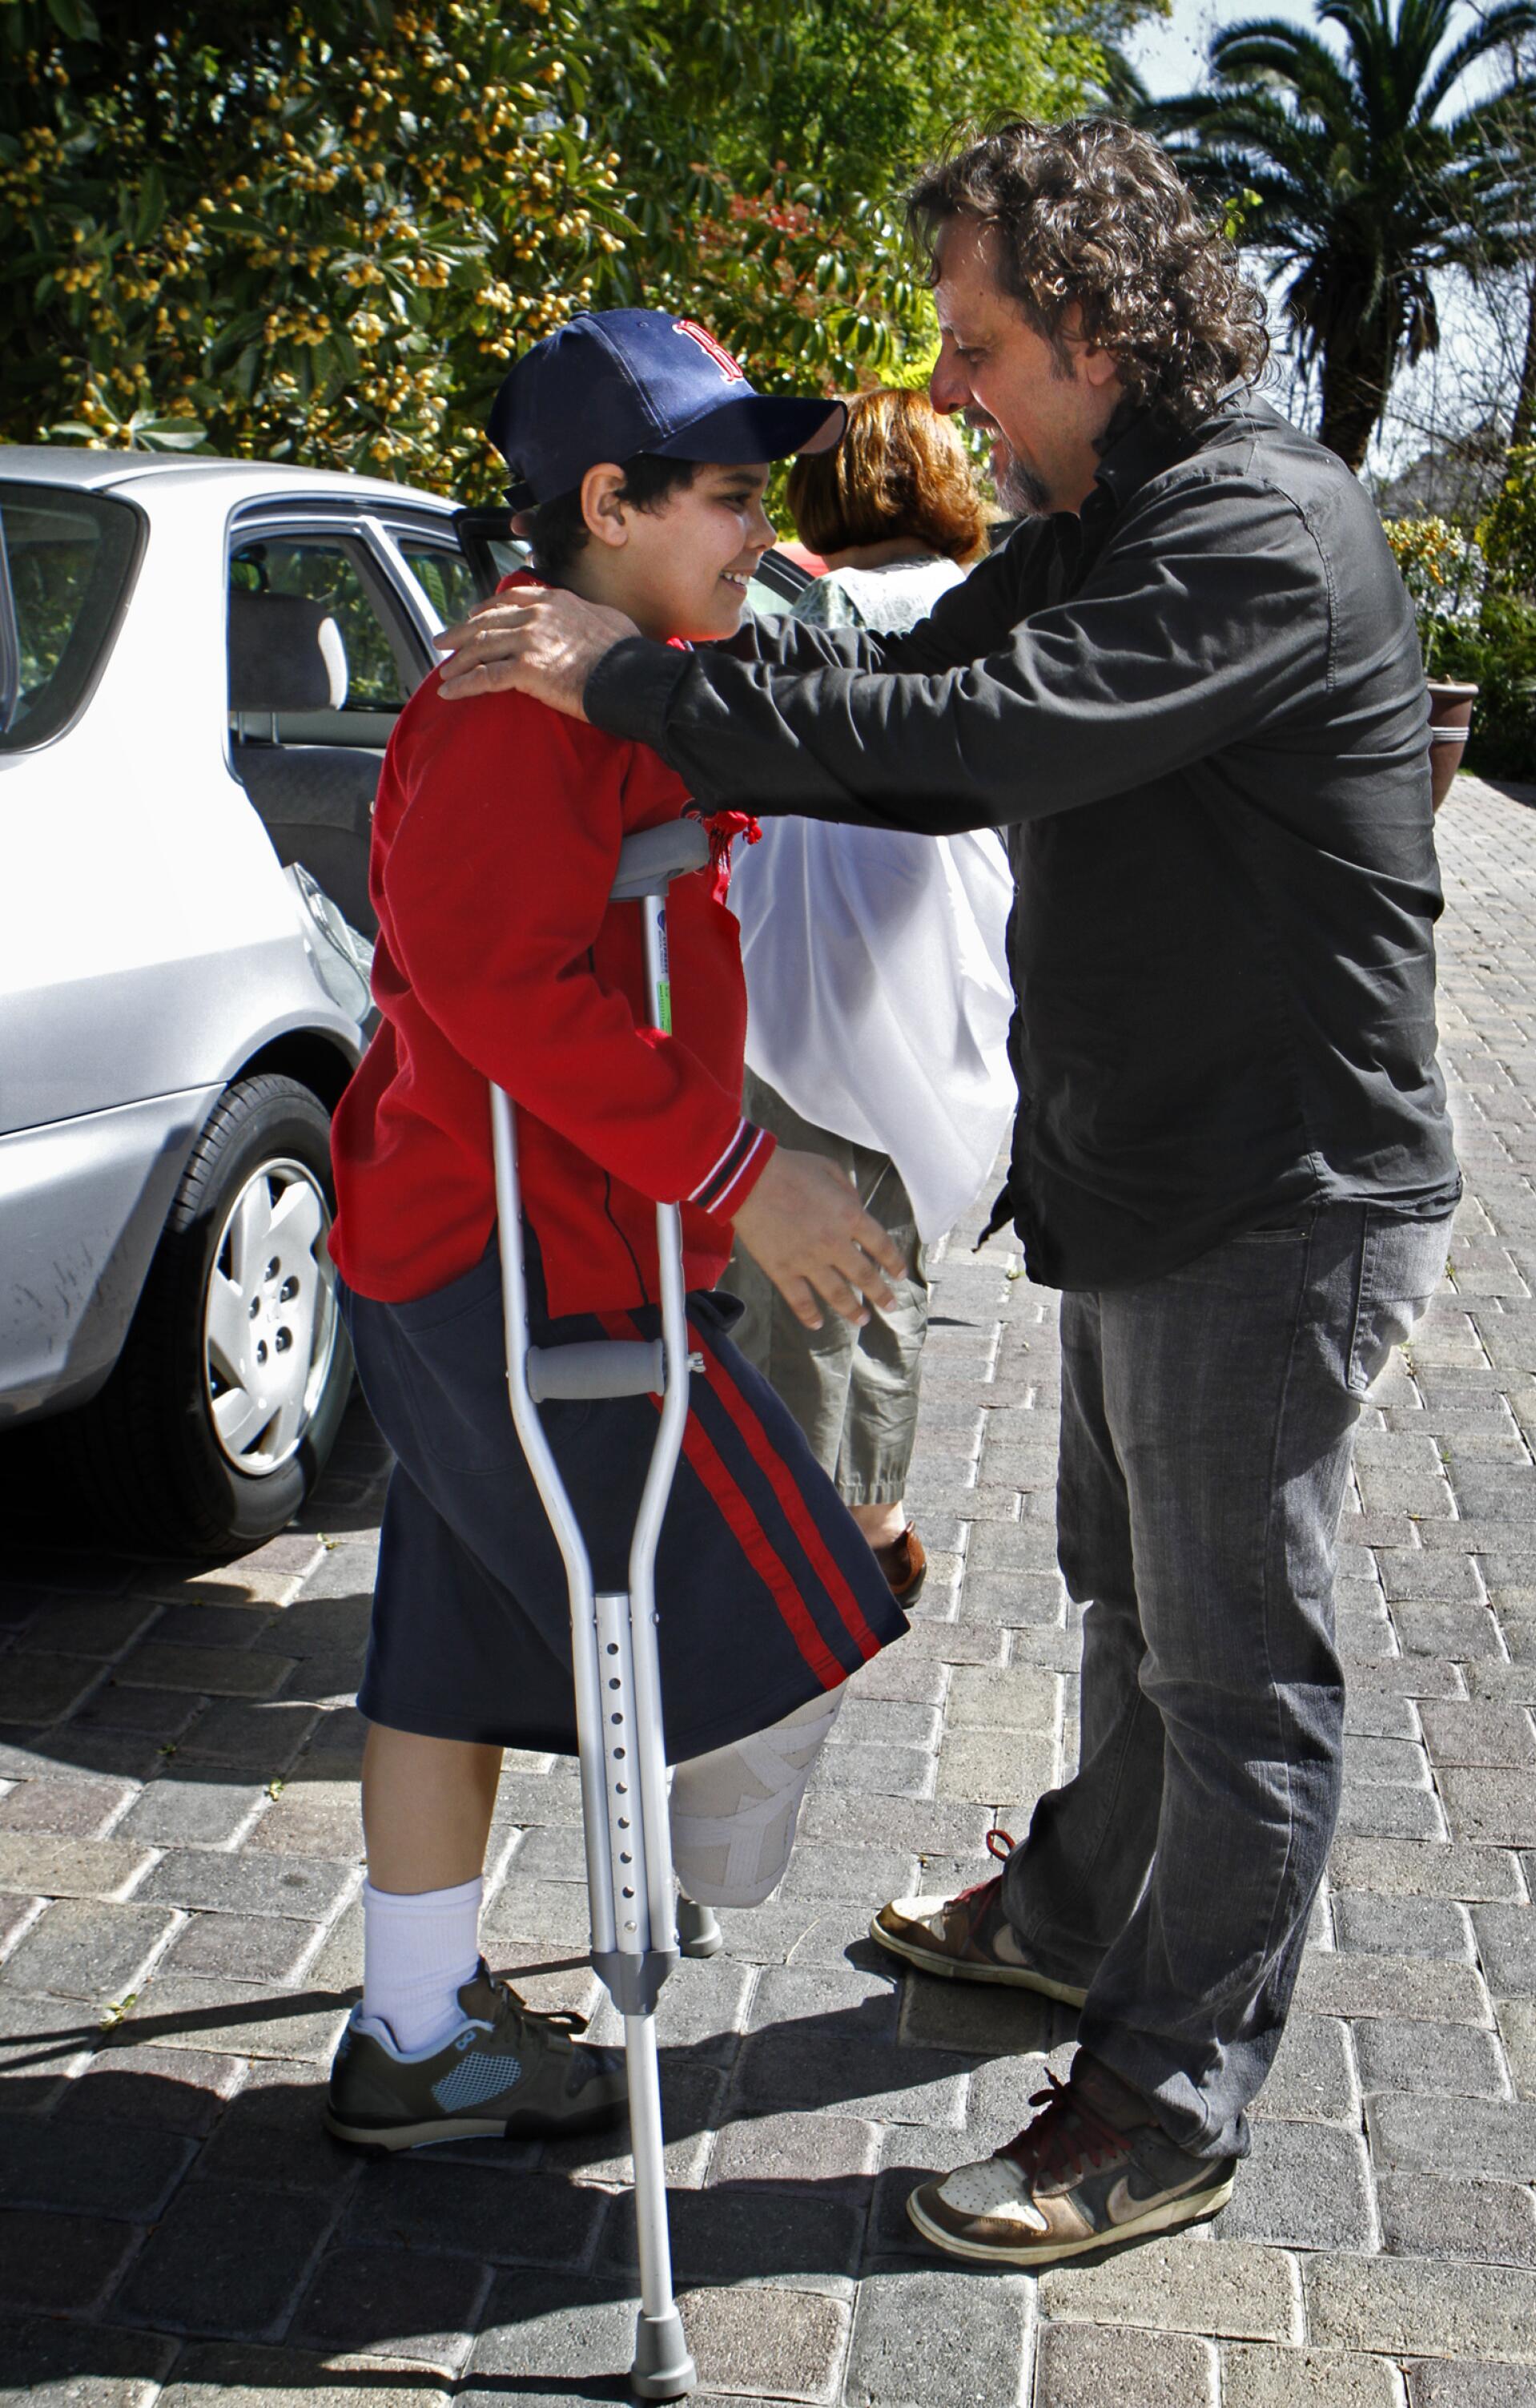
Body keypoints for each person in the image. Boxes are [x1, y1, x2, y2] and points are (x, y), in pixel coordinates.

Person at [431, 119, 1460, 2264]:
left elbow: (979, 739)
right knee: (1127, 1583)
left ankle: (1166, 2094)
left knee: (1234, 1659)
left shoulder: (1254, 533)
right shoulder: (1105, 516)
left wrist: (628, 677)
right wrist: (661, 675)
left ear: (1096, 321)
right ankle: (1077, 1906)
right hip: (1149, 1166)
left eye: (983, 344)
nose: (959, 389)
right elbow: (887, 690)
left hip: (1281, 1186)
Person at [322, 308, 911, 2156]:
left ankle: (414, 2026)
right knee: (794, 1604)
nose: (766, 531)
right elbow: (500, 990)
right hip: (532, 1268)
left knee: (456, 1633)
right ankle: (605, 1939)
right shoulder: (513, 713)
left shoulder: (634, 672)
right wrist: (743, 1177)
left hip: (491, 1247)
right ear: (608, 498)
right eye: (733, 496)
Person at [723, 388, 1015, 1605]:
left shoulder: (815, 608)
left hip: (798, 996)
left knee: (806, 1287)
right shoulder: (982, 614)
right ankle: (862, 1540)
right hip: (933, 989)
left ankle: (804, 1554)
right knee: (883, 1274)